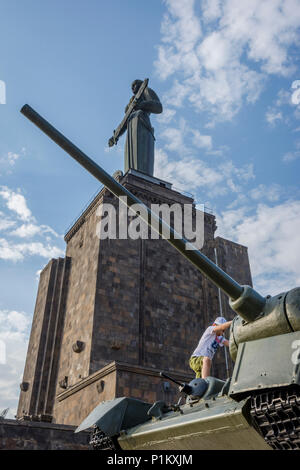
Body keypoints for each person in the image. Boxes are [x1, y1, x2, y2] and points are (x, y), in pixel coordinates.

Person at [109, 80, 162, 176]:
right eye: (131, 86)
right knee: (131, 157)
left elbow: (158, 107)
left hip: (142, 124)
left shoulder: (145, 91)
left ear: (140, 84)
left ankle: (141, 176)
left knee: (141, 157)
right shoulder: (132, 101)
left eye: (134, 85)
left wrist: (141, 105)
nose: (132, 88)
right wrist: (116, 136)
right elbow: (124, 122)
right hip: (131, 129)